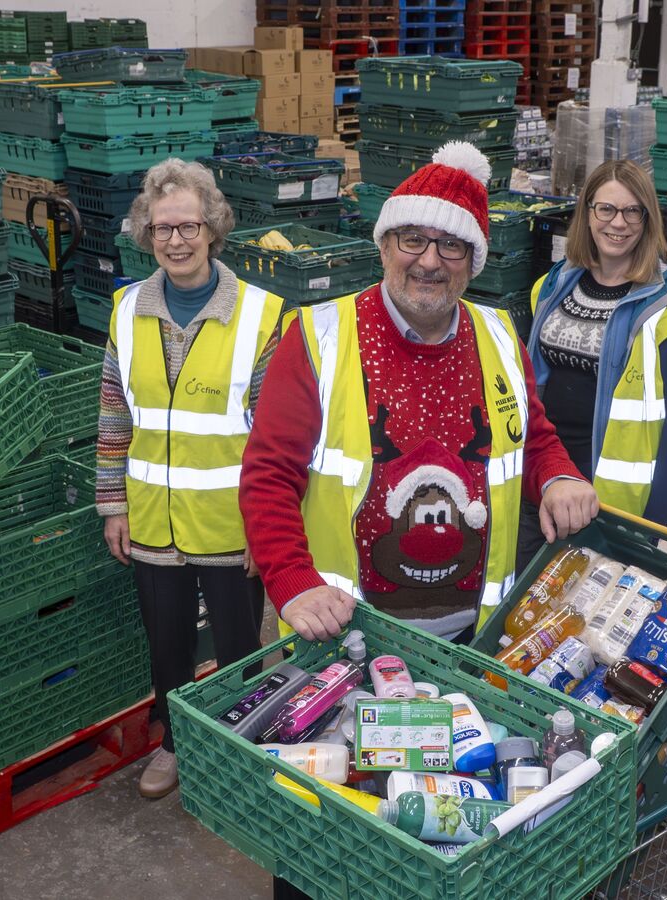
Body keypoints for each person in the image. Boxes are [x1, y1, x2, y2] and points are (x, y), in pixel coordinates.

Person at [239, 139, 600, 900]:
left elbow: (532, 434)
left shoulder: (499, 335)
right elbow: (268, 474)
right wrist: (293, 581)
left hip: (468, 650)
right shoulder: (320, 336)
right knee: (319, 827)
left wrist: (561, 473)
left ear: (473, 261)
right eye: (413, 239)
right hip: (340, 643)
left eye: (451, 246)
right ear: (384, 244)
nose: (429, 261)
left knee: (436, 827)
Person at [96, 158, 282, 800]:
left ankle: (240, 751)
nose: (175, 241)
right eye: (162, 228)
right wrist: (112, 503)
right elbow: (114, 414)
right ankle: (175, 743)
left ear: (213, 228)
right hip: (153, 518)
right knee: (168, 647)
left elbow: (276, 438)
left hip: (232, 524)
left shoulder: (260, 315)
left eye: (189, 227)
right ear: (145, 233)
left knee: (239, 649)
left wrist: (269, 527)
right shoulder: (126, 312)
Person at [524, 160, 667, 566]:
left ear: (648, 219)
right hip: (545, 484)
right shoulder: (554, 285)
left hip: (614, 506)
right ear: (587, 213)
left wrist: (661, 534)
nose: (618, 223)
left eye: (632, 211)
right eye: (606, 209)